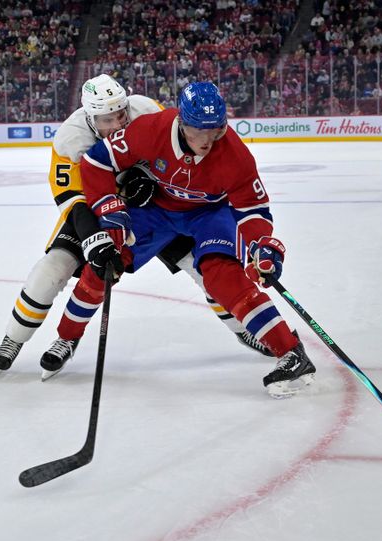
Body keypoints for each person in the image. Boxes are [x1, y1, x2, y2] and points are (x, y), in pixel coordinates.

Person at [0, 75, 270, 379]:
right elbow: (73, 200)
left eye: (121, 114)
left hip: (158, 208)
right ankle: (17, 339)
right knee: (52, 269)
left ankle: (244, 329)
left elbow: (175, 151)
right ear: (90, 117)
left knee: (208, 269)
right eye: (107, 119)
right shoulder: (71, 139)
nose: (118, 123)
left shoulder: (146, 110)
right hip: (96, 211)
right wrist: (95, 238)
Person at [48, 81, 316, 398]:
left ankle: (290, 351)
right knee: (105, 263)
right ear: (181, 122)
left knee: (222, 277)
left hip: (209, 213)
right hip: (157, 208)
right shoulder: (151, 129)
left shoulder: (236, 156)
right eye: (198, 131)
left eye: (215, 131)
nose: (207, 141)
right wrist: (108, 205)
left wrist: (262, 245)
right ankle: (67, 337)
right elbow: (96, 161)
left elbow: (253, 209)